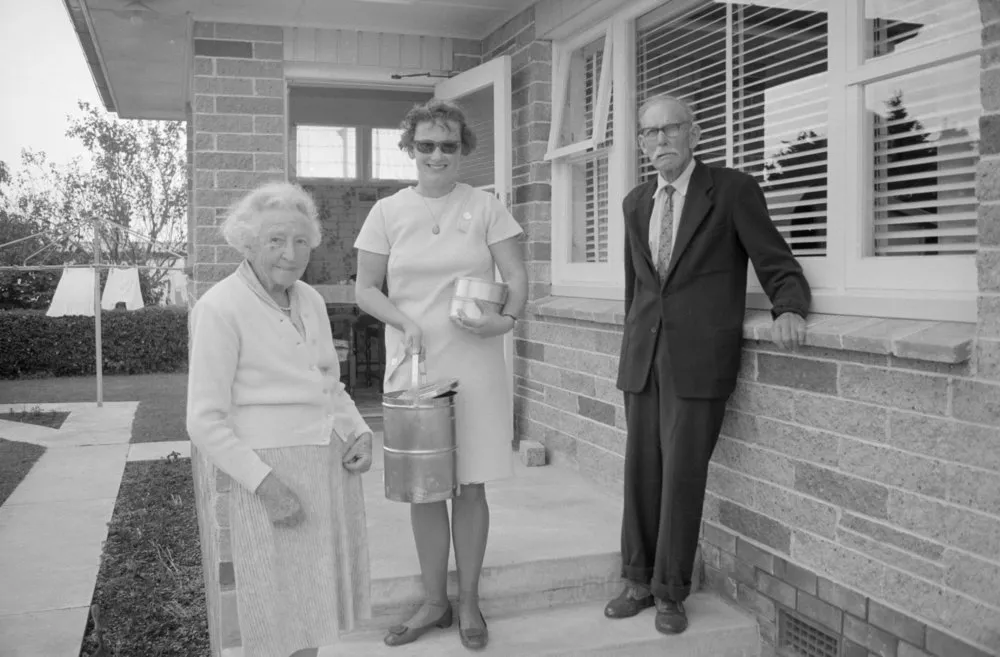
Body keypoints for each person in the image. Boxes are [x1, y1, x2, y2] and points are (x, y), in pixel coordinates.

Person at [607, 94, 810, 634]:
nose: (660, 142)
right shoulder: (634, 202)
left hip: (700, 359)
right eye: (649, 133)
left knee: (682, 475)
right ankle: (636, 579)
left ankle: (670, 590)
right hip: (644, 357)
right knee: (640, 472)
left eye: (670, 129)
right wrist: (630, 347)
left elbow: (774, 259)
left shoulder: (733, 191)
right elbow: (637, 290)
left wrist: (788, 307)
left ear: (693, 134)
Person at [354, 98, 527, 650]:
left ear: (463, 150)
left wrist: (505, 322)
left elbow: (519, 276)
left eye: (448, 145)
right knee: (425, 488)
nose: (436, 154)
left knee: (470, 483)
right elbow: (365, 288)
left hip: (474, 361)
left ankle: (470, 600)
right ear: (409, 148)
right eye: (425, 144)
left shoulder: (486, 206)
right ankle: (435, 602)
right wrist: (403, 320)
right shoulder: (386, 212)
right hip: (413, 363)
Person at [186, 182, 374, 657]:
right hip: (270, 475)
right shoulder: (220, 307)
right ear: (247, 243)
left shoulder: (308, 299)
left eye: (300, 241)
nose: (290, 254)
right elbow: (204, 421)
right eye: (275, 241)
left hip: (326, 466)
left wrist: (360, 432)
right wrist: (267, 486)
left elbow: (329, 384)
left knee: (311, 615)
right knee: (273, 618)